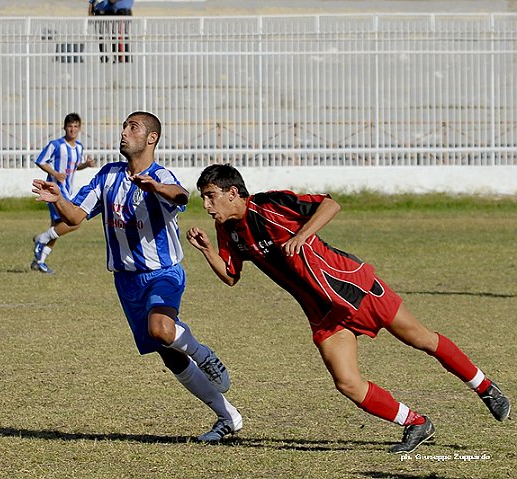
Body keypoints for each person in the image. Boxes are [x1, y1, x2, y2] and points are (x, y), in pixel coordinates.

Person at [186, 163, 511, 453]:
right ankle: (416, 423)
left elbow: (331, 204)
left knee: (422, 339)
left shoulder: (270, 204)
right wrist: (207, 251)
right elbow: (231, 276)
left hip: (355, 288)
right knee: (348, 383)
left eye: (211, 196)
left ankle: (485, 387)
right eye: (203, 197)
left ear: (233, 192)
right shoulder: (227, 229)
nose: (207, 205)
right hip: (324, 314)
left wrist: (302, 235)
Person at [32, 112, 242, 442]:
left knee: (161, 329)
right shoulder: (107, 176)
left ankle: (203, 355)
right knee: (168, 352)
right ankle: (227, 415)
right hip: (126, 281)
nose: (124, 132)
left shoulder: (160, 176)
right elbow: (75, 215)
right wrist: (58, 198)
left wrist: (156, 187)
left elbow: (181, 196)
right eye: (124, 126)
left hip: (163, 273)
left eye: (133, 128)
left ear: (151, 139)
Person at [32, 113, 95, 273]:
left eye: (75, 127)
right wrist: (55, 173)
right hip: (55, 191)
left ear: (79, 128)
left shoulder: (78, 147)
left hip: (67, 190)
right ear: (64, 127)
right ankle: (41, 239)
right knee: (74, 222)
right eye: (70, 126)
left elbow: (75, 166)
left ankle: (39, 261)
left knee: (57, 228)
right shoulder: (56, 145)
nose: (72, 130)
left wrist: (85, 165)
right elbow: (40, 160)